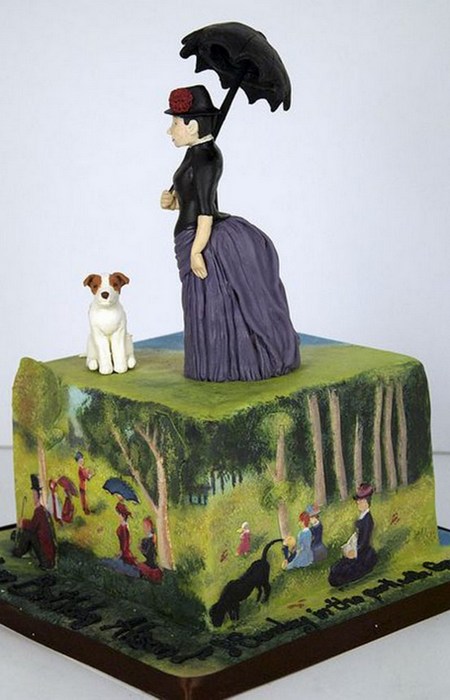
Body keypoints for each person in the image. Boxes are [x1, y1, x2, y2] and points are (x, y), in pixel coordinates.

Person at [161, 85, 300, 382]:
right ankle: (209, 363)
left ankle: (228, 364)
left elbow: (206, 210)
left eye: (175, 122)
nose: (169, 130)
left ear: (192, 126)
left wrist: (197, 250)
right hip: (190, 233)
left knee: (211, 303)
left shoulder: (208, 158)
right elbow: (190, 198)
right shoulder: (194, 153)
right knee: (199, 303)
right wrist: (173, 200)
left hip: (199, 236)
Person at [328, 483, 378, 587]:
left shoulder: (368, 520)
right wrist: (348, 546)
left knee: (341, 572)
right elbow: (356, 536)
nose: (358, 503)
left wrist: (353, 552)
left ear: (367, 502)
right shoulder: (361, 517)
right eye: (358, 501)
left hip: (362, 554)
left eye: (361, 501)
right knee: (334, 568)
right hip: (357, 551)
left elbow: (364, 542)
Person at [12, 474, 57, 569]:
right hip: (48, 558)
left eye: (34, 494)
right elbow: (35, 525)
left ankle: (19, 552)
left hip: (46, 560)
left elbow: (32, 527)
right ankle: (22, 551)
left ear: (38, 495)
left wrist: (23, 522)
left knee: (28, 533)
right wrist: (24, 522)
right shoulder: (42, 510)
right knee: (28, 532)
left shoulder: (40, 511)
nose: (33, 497)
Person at [137, 517, 163, 583]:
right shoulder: (146, 540)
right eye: (143, 527)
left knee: (139, 567)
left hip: (152, 566)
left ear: (149, 527)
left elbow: (148, 554)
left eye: (145, 527)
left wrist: (140, 548)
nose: (144, 529)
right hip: (149, 563)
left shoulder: (151, 539)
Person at [75, 451, 93, 515]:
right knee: (84, 499)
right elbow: (87, 477)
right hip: (82, 486)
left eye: (82, 460)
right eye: (80, 461)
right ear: (78, 462)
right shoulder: (81, 469)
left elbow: (87, 474)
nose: (82, 461)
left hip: (83, 485)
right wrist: (90, 475)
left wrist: (89, 472)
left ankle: (86, 510)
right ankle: (86, 511)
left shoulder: (83, 468)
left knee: (84, 498)